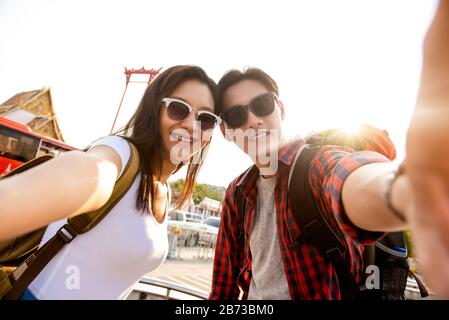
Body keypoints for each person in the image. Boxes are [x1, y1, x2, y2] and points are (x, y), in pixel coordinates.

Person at [209, 60, 449, 299]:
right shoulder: (236, 194)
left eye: (261, 104)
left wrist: (403, 191)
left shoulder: (315, 165)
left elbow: (350, 176)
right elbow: (222, 287)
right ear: (226, 131)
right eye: (236, 115)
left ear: (280, 109)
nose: (252, 120)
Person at [0, 65, 221, 299]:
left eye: (205, 119)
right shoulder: (120, 156)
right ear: (154, 109)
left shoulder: (163, 190)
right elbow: (90, 173)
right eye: (178, 109)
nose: (191, 125)